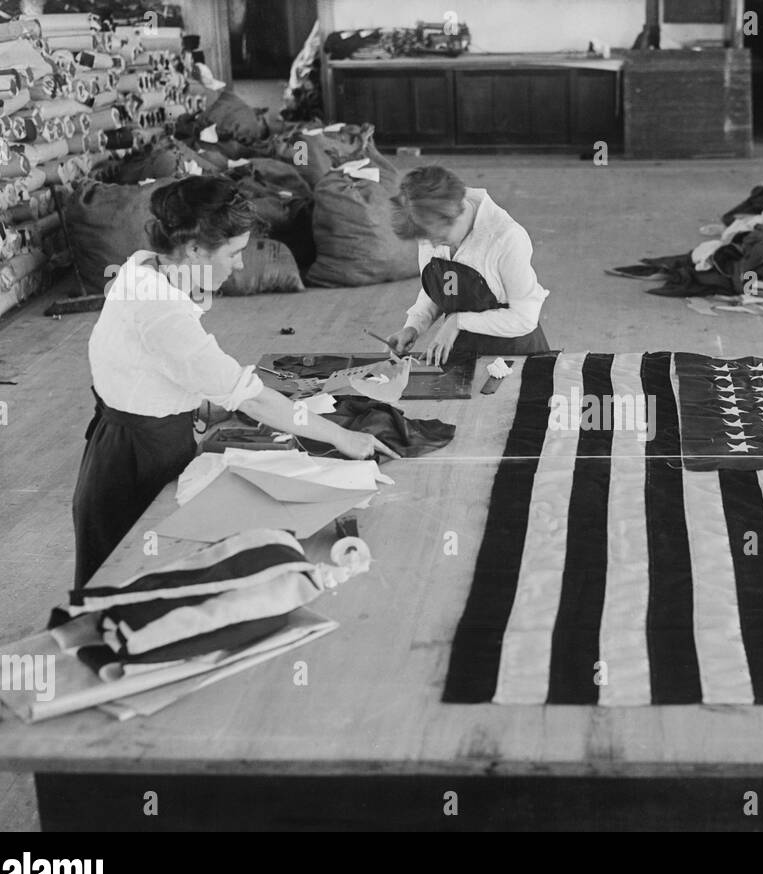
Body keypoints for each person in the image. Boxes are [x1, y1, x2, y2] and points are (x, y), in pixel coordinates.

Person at [73, 176, 394, 588]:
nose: (241, 264)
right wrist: (342, 438)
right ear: (192, 248)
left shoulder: (146, 265)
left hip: (131, 436)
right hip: (136, 461)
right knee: (127, 581)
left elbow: (145, 365)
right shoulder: (161, 311)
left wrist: (196, 397)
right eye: (234, 252)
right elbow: (253, 399)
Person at [382, 166, 550, 365]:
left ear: (456, 212)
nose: (433, 246)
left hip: (513, 356)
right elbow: (443, 286)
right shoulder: (430, 227)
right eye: (426, 240)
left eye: (439, 237)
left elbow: (524, 318)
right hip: (460, 353)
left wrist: (458, 322)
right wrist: (414, 326)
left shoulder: (506, 238)